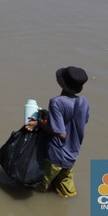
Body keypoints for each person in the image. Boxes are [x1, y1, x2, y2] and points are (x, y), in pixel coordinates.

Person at [25, 66, 90, 198]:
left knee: (39, 188)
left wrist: (39, 124)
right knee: (67, 192)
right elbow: (75, 122)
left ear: (62, 84)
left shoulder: (56, 102)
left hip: (56, 155)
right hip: (72, 155)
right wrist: (50, 116)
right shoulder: (84, 102)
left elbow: (61, 133)